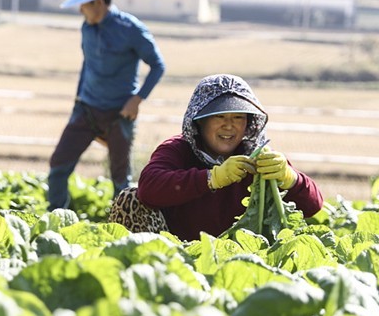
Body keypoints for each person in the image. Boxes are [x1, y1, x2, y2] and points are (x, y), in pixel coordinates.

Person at [134, 73, 323, 241]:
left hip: (242, 260)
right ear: (198, 121)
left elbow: (313, 205)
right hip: (180, 256)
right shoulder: (177, 149)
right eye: (219, 116)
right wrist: (211, 178)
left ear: (249, 123)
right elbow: (148, 188)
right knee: (129, 197)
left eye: (238, 117)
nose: (229, 125)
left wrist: (290, 178)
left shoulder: (257, 156)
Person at [47, 0, 166, 210]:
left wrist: (137, 99)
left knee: (121, 179)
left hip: (119, 115)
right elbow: (87, 63)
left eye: (84, 4)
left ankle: (123, 228)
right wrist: (78, 98)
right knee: (58, 165)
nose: (81, 10)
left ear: (99, 3)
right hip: (86, 109)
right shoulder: (87, 29)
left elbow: (158, 66)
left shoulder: (130, 29)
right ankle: (57, 217)